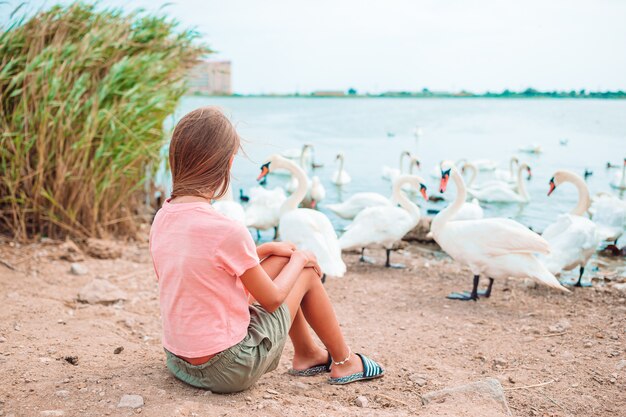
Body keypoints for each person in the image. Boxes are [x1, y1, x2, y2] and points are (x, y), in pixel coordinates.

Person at [149, 106, 384, 393]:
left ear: (176, 159)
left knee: (276, 259)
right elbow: (272, 300)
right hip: (227, 369)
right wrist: (300, 258)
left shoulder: (163, 217)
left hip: (179, 361)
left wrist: (262, 251)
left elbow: (196, 270)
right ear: (229, 164)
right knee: (305, 271)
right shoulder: (227, 229)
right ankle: (345, 361)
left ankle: (308, 354)